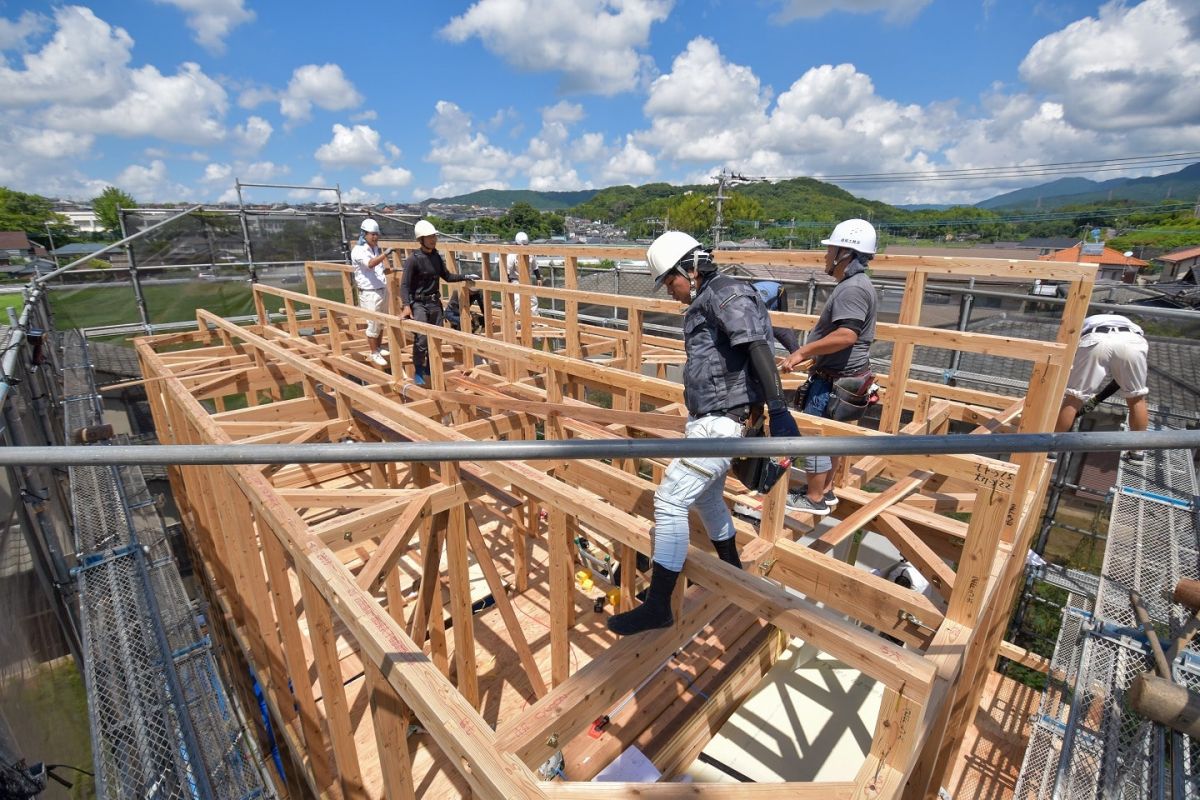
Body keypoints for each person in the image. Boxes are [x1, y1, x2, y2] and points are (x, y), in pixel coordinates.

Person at [607, 231, 801, 636]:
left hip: (722, 421)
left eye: (670, 282)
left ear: (689, 268)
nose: (670, 292)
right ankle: (731, 568)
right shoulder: (712, 296)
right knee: (709, 496)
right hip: (710, 418)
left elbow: (756, 347)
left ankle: (660, 604)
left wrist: (779, 408)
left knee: (670, 500)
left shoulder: (725, 294)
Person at [780, 218, 879, 517]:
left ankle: (812, 498)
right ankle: (824, 491)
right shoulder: (857, 285)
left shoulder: (852, 290)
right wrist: (817, 356)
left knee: (814, 438)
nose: (825, 256)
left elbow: (847, 335)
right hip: (844, 376)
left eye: (830, 249)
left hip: (834, 381)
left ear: (845, 253)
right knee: (832, 437)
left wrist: (802, 351)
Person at [1054, 313, 1149, 463]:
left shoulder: (1084, 322)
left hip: (1096, 339)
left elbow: (1068, 347)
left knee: (1074, 398)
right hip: (1132, 342)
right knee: (1136, 398)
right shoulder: (1131, 325)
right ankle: (1137, 452)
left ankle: (1051, 447)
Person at [399, 219, 478, 385]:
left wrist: (465, 276)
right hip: (419, 303)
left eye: (434, 236)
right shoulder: (413, 260)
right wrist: (407, 306)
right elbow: (404, 285)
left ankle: (430, 366)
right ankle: (419, 369)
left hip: (435, 303)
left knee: (436, 337)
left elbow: (447, 276)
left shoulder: (435, 257)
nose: (433, 240)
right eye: (429, 237)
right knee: (421, 337)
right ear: (421, 239)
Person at [350, 218, 395, 367]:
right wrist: (386, 254)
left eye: (377, 234)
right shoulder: (358, 250)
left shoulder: (375, 249)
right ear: (364, 234)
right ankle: (373, 352)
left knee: (381, 322)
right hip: (369, 292)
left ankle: (379, 347)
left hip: (381, 289)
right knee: (373, 323)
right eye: (372, 234)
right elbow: (369, 265)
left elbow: (378, 268)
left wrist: (389, 270)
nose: (375, 237)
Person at [752, 280, 800, 353]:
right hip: (758, 299)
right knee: (780, 328)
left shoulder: (760, 294)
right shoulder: (781, 289)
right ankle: (796, 352)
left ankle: (796, 352)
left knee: (779, 324)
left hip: (775, 291)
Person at [506, 231, 541, 315]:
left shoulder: (530, 254)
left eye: (525, 245)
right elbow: (507, 270)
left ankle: (534, 321)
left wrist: (538, 278)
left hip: (527, 280)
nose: (523, 247)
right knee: (517, 302)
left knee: (533, 300)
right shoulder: (512, 255)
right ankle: (515, 322)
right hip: (515, 280)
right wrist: (507, 282)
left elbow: (535, 266)